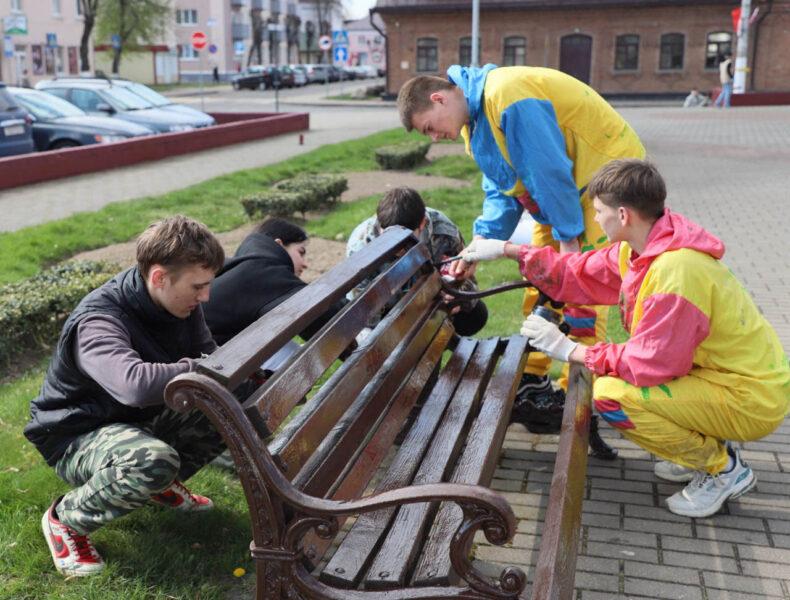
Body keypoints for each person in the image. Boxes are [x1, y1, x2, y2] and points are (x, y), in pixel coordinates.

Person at [461, 159, 790, 518]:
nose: (595, 219)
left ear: (623, 215)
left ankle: (722, 469)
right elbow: (576, 273)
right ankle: (700, 450)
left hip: (749, 397)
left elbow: (651, 363)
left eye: (599, 211)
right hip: (724, 378)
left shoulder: (675, 272)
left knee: (612, 397)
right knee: (610, 379)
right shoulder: (643, 248)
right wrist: (507, 250)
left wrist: (569, 350)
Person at [397, 65, 644, 455]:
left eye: (429, 126)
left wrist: (568, 241)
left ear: (438, 98)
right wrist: (480, 245)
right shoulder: (474, 122)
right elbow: (502, 187)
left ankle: (575, 398)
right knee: (540, 285)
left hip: (604, 195)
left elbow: (548, 171)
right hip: (564, 201)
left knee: (582, 301)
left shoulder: (506, 96)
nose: (434, 137)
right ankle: (533, 383)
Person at [25, 216, 227, 577]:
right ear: (159, 278)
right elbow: (133, 386)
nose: (206, 296)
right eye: (198, 286)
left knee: (222, 407)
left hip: (130, 422)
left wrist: (210, 369)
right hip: (74, 435)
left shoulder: (182, 305)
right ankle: (66, 519)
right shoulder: (99, 319)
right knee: (152, 460)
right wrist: (199, 367)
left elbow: (211, 358)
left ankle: (155, 486)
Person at [346, 186, 488, 337]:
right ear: (379, 224)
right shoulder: (361, 247)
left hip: (433, 306)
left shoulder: (444, 232)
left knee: (476, 316)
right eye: (388, 237)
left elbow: (469, 282)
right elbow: (361, 309)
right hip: (388, 313)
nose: (397, 249)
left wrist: (457, 298)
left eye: (404, 241)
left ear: (422, 223)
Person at [204, 217, 344, 348]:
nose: (304, 263)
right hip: (209, 364)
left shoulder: (247, 267)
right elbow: (322, 314)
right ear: (279, 245)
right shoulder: (262, 271)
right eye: (300, 252)